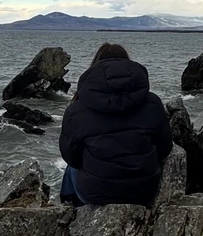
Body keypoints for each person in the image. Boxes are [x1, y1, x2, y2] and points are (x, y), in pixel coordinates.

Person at [59, 43, 173, 207]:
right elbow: (164, 148)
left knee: (71, 169)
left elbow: (71, 157)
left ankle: (72, 209)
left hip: (95, 194)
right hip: (144, 191)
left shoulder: (77, 108)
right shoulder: (152, 102)